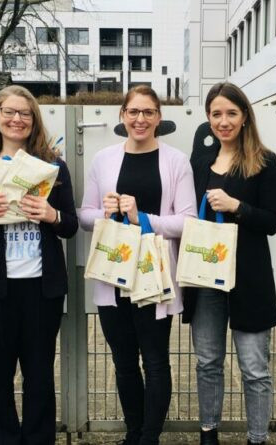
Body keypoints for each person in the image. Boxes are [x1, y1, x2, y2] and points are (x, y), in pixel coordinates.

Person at [0, 85, 78, 445]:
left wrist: (52, 214)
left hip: (42, 289)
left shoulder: (53, 168)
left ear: (34, 120)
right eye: (9, 111)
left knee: (39, 376)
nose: (16, 119)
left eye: (24, 113)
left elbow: (69, 225)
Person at [78, 85, 197, 445]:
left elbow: (188, 222)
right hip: (113, 276)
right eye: (133, 112)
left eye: (148, 112)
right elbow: (83, 217)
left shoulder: (176, 161)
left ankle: (150, 436)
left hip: (154, 275)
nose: (140, 119)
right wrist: (107, 212)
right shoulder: (104, 159)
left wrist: (142, 217)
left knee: (156, 360)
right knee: (124, 362)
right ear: (122, 116)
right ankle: (134, 432)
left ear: (159, 118)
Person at [184, 82, 276, 445]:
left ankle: (257, 438)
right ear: (208, 118)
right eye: (216, 114)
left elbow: (274, 221)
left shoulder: (265, 162)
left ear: (244, 117)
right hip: (205, 276)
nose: (223, 121)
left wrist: (237, 207)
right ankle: (208, 433)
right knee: (207, 362)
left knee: (254, 369)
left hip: (250, 279)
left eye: (231, 113)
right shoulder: (199, 163)